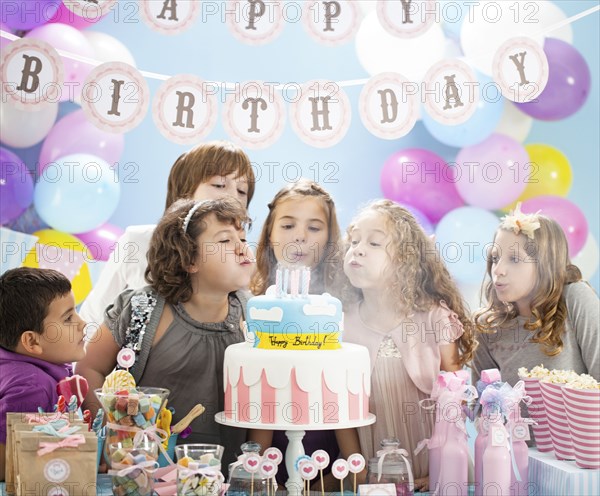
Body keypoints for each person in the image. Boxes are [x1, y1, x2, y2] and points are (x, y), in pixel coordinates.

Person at [76, 197, 255, 472]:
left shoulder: (254, 315)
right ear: (189, 259)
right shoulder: (142, 309)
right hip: (142, 472)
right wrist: (112, 434)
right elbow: (89, 366)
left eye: (242, 238)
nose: (242, 248)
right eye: (225, 241)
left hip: (224, 475)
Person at [342, 199, 477, 491]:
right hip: (375, 481)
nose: (358, 248)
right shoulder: (342, 326)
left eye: (375, 243)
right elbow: (341, 412)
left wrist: (443, 470)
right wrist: (361, 474)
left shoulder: (435, 318)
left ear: (405, 260)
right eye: (354, 241)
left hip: (439, 475)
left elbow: (456, 402)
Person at [248, 179, 355, 488]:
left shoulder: (340, 303)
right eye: (288, 225)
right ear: (269, 233)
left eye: (314, 227)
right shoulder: (251, 301)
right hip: (262, 454)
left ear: (330, 236)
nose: (299, 237)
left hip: (328, 454)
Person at [79, 141, 255, 325]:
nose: (233, 197)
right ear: (184, 192)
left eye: (242, 191)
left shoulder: (238, 256)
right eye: (219, 185)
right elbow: (93, 317)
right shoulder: (139, 242)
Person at [473, 203, 599, 387]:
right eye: (495, 258)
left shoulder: (575, 298)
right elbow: (482, 406)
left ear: (544, 264)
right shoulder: (487, 327)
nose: (498, 270)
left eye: (514, 259)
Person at [0, 268, 87, 481]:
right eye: (68, 318)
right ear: (32, 341)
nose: (82, 323)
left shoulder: (24, 366)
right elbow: (7, 464)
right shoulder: (32, 387)